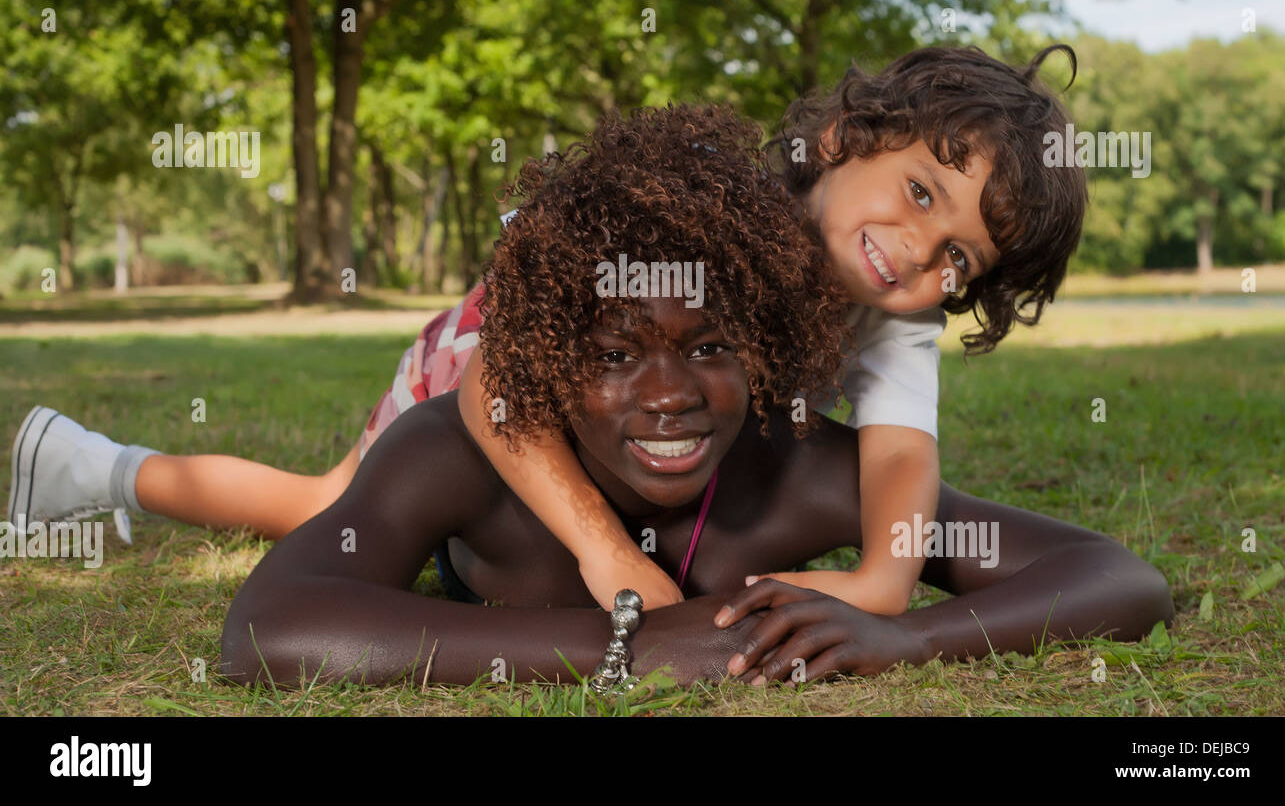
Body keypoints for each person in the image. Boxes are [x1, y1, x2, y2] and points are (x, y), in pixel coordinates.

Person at [216, 106, 1169, 687]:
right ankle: (121, 473)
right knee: (316, 503)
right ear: (556, 356)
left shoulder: (793, 465)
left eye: (710, 346)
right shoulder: (459, 452)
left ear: (767, 345)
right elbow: (269, 629)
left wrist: (902, 634)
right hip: (472, 346)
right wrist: (617, 647)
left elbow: (1117, 578)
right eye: (619, 352)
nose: (668, 394)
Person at [454, 43, 1087, 614]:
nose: (920, 250)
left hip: (639, 443)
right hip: (483, 341)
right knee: (385, 458)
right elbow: (490, 380)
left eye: (958, 256)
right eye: (921, 193)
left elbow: (899, 452)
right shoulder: (701, 208)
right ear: (844, 140)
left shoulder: (899, 317)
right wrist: (606, 550)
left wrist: (884, 583)